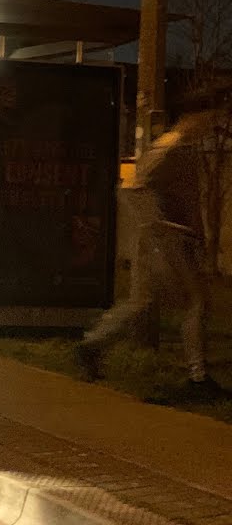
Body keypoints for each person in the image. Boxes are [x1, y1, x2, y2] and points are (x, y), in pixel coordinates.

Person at [75, 103, 226, 399]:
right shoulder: (172, 147)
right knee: (196, 302)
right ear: (190, 117)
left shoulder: (184, 148)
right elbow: (134, 187)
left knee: (141, 302)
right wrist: (160, 225)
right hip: (168, 238)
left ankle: (91, 346)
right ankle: (198, 378)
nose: (210, 124)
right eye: (207, 117)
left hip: (161, 237)